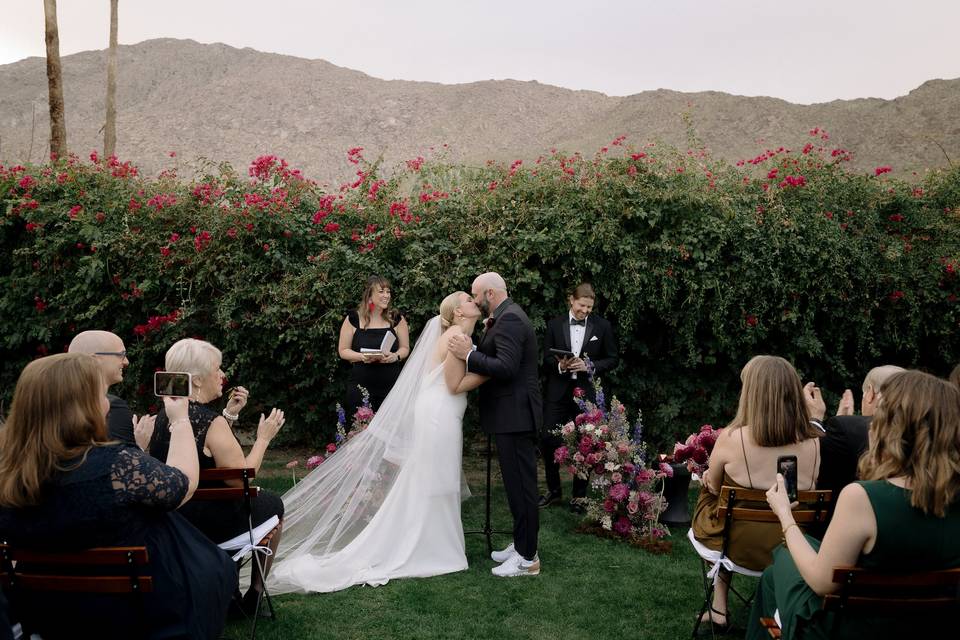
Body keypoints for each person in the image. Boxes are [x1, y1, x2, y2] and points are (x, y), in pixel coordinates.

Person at [0, 353, 236, 639]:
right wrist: (181, 422)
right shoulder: (116, 466)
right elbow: (181, 485)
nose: (108, 402)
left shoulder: (9, 474)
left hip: (48, 614)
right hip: (139, 614)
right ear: (82, 405)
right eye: (101, 393)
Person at [265, 291, 484, 593]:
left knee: (431, 478)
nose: (475, 302)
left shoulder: (457, 333)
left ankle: (436, 543)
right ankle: (436, 549)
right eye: (469, 300)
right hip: (439, 414)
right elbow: (453, 384)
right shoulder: (458, 337)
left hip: (440, 412)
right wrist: (490, 373)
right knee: (434, 478)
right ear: (458, 313)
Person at [746, 370, 960, 639]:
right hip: (935, 626)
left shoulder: (862, 498)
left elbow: (823, 583)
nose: (870, 425)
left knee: (783, 555)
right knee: (770, 579)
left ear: (893, 429)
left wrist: (785, 516)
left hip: (851, 629)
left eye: (878, 417)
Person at [147, 338, 286, 610]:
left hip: (174, 522)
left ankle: (227, 587)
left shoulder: (164, 417)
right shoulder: (212, 423)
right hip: (212, 524)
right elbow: (242, 477)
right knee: (274, 504)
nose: (222, 375)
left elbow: (201, 451)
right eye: (217, 369)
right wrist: (263, 439)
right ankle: (255, 593)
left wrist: (228, 416)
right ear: (197, 381)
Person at [690, 355, 822, 630]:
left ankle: (719, 608)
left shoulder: (732, 437)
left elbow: (713, 485)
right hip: (788, 548)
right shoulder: (813, 443)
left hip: (736, 545)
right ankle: (759, 611)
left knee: (715, 498)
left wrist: (708, 479)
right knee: (740, 506)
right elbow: (798, 491)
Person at [449, 272, 543, 577]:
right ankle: (521, 544)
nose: (475, 300)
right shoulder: (504, 317)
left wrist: (471, 354)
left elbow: (506, 367)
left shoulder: (511, 319)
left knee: (523, 489)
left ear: (489, 293)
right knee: (516, 488)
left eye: (476, 295)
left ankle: (528, 560)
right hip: (510, 416)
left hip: (515, 417)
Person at [539, 282, 618, 512]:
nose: (585, 311)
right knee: (547, 439)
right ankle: (554, 491)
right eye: (582, 305)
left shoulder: (602, 327)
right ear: (571, 300)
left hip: (587, 395)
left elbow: (613, 358)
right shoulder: (554, 325)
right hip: (557, 393)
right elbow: (545, 359)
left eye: (589, 307)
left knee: (586, 444)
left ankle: (579, 497)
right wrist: (561, 366)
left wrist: (589, 365)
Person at [809, 366, 904, 520]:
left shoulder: (845, 427)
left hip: (840, 527)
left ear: (870, 393)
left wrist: (815, 420)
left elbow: (814, 470)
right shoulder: (919, 433)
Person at [67, 329, 155, 449]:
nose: (126, 362)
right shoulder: (114, 408)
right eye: (121, 355)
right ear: (95, 360)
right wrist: (138, 446)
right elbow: (118, 465)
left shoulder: (55, 403)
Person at [338, 275, 411, 416]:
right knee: (361, 432)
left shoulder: (396, 319)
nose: (386, 295)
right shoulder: (353, 319)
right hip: (360, 389)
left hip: (392, 388)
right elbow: (343, 350)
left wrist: (395, 356)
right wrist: (362, 356)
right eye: (381, 291)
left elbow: (405, 348)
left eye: (388, 292)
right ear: (369, 296)